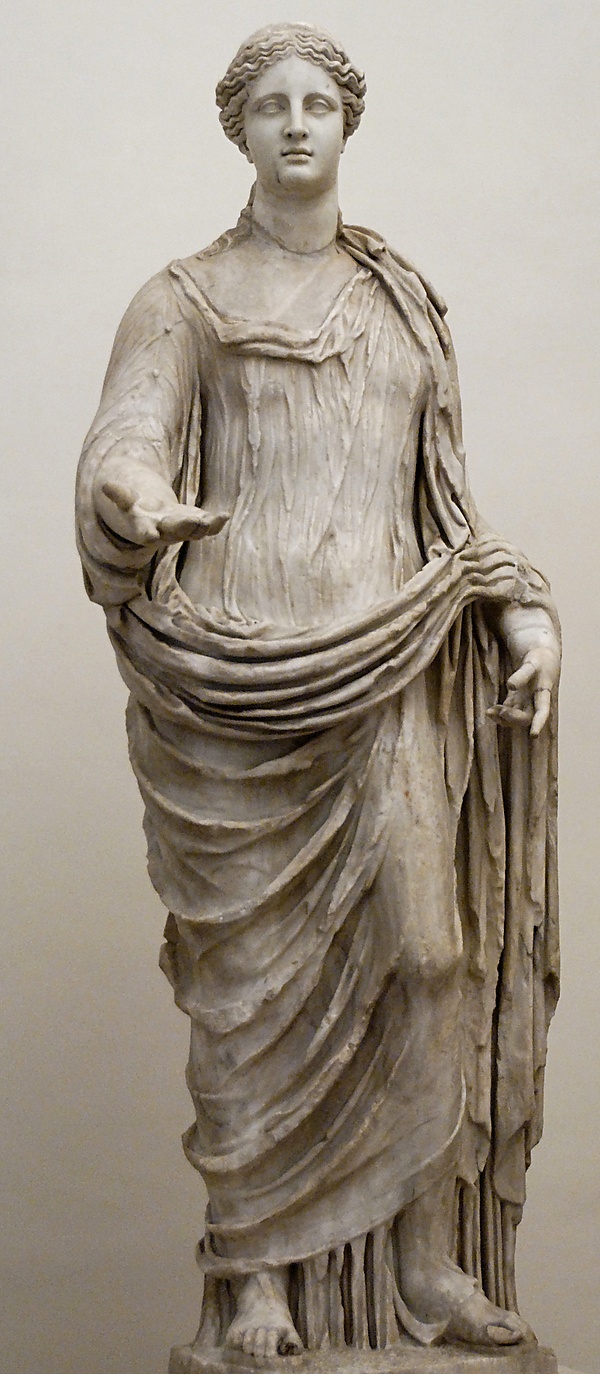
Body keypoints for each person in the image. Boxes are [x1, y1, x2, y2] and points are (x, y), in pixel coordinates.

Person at [76, 23, 560, 1363]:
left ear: (348, 123)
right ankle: (257, 1277)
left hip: (391, 663)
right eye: (269, 106)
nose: (295, 123)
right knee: (252, 996)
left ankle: (425, 1266)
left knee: (432, 959)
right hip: (241, 687)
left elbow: (448, 504)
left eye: (317, 103)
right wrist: (136, 495)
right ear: (237, 129)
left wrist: (520, 609)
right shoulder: (182, 297)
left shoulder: (402, 303)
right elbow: (126, 432)